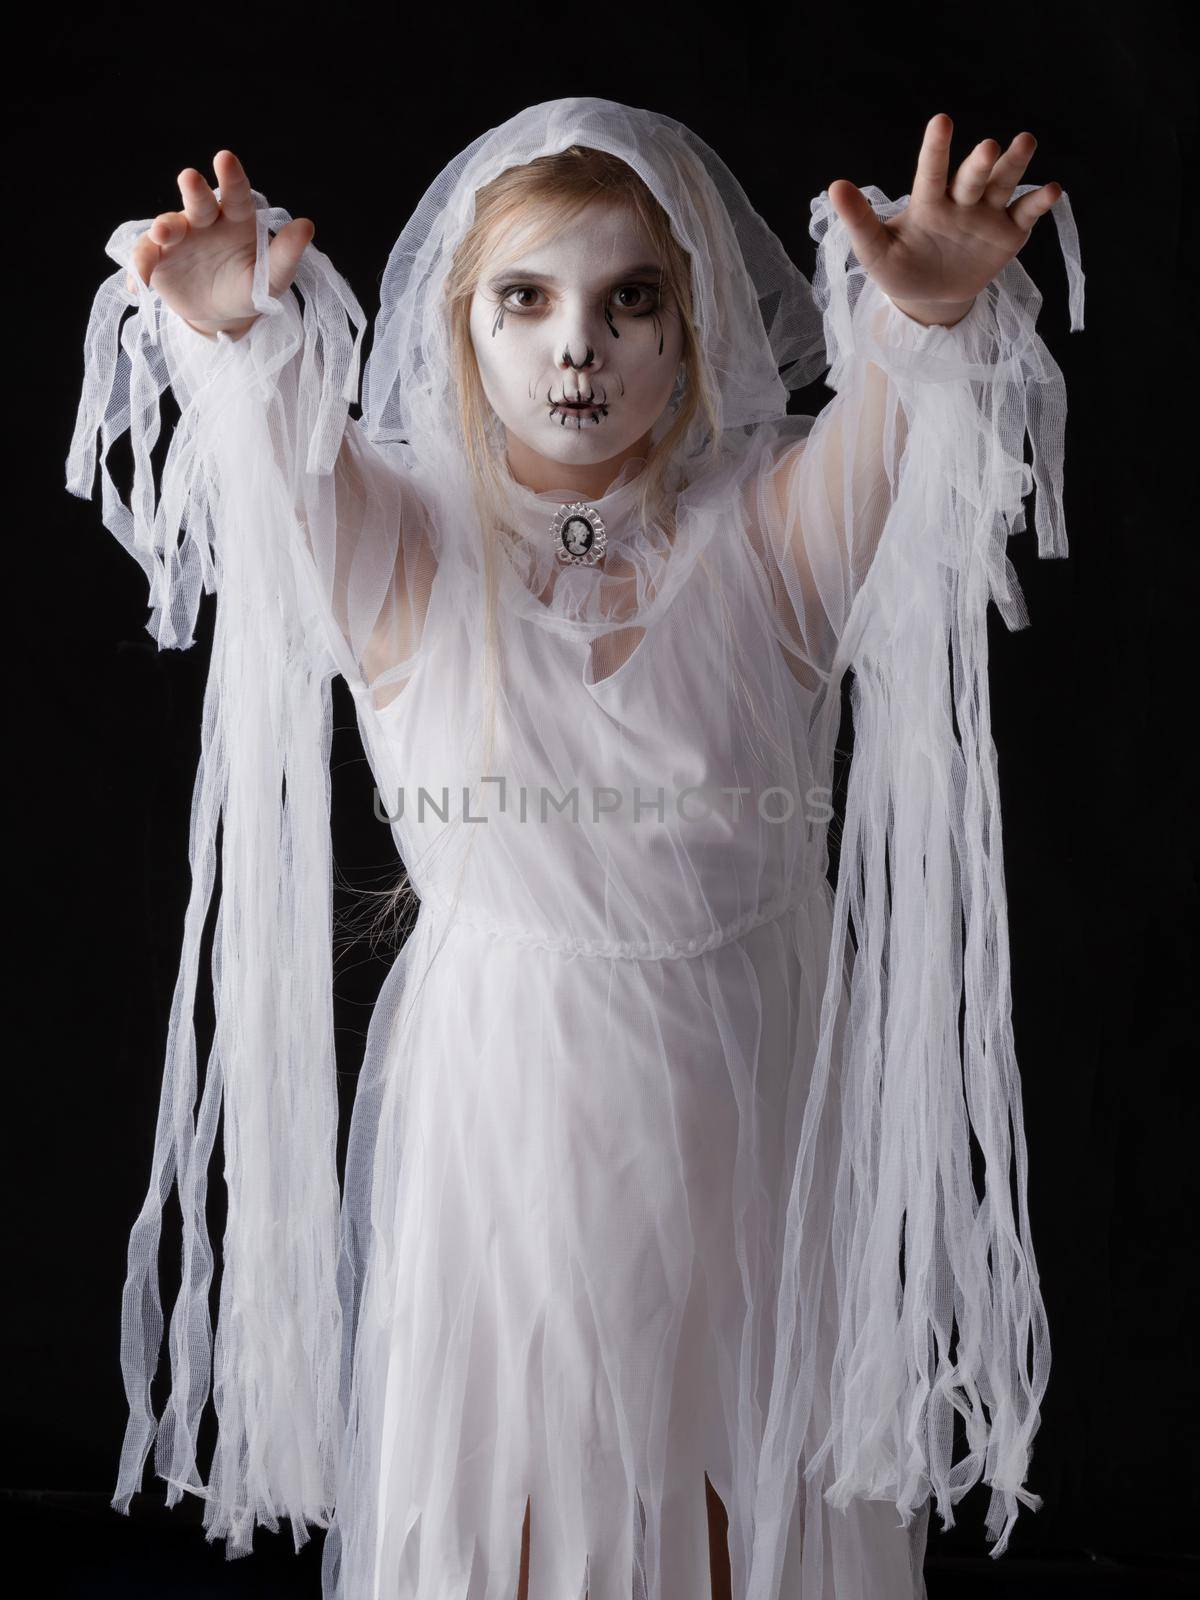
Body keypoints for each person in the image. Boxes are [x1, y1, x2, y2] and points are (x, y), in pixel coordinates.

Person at [66, 97, 1084, 1600]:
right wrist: (230, 342)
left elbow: (886, 430)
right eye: (527, 299)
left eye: (630, 300)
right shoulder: (406, 542)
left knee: (743, 1470)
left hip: (742, 1086)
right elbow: (284, 466)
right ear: (464, 328)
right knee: (521, 1490)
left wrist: (925, 323)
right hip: (504, 1102)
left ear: (692, 331)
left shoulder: (770, 535)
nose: (578, 347)